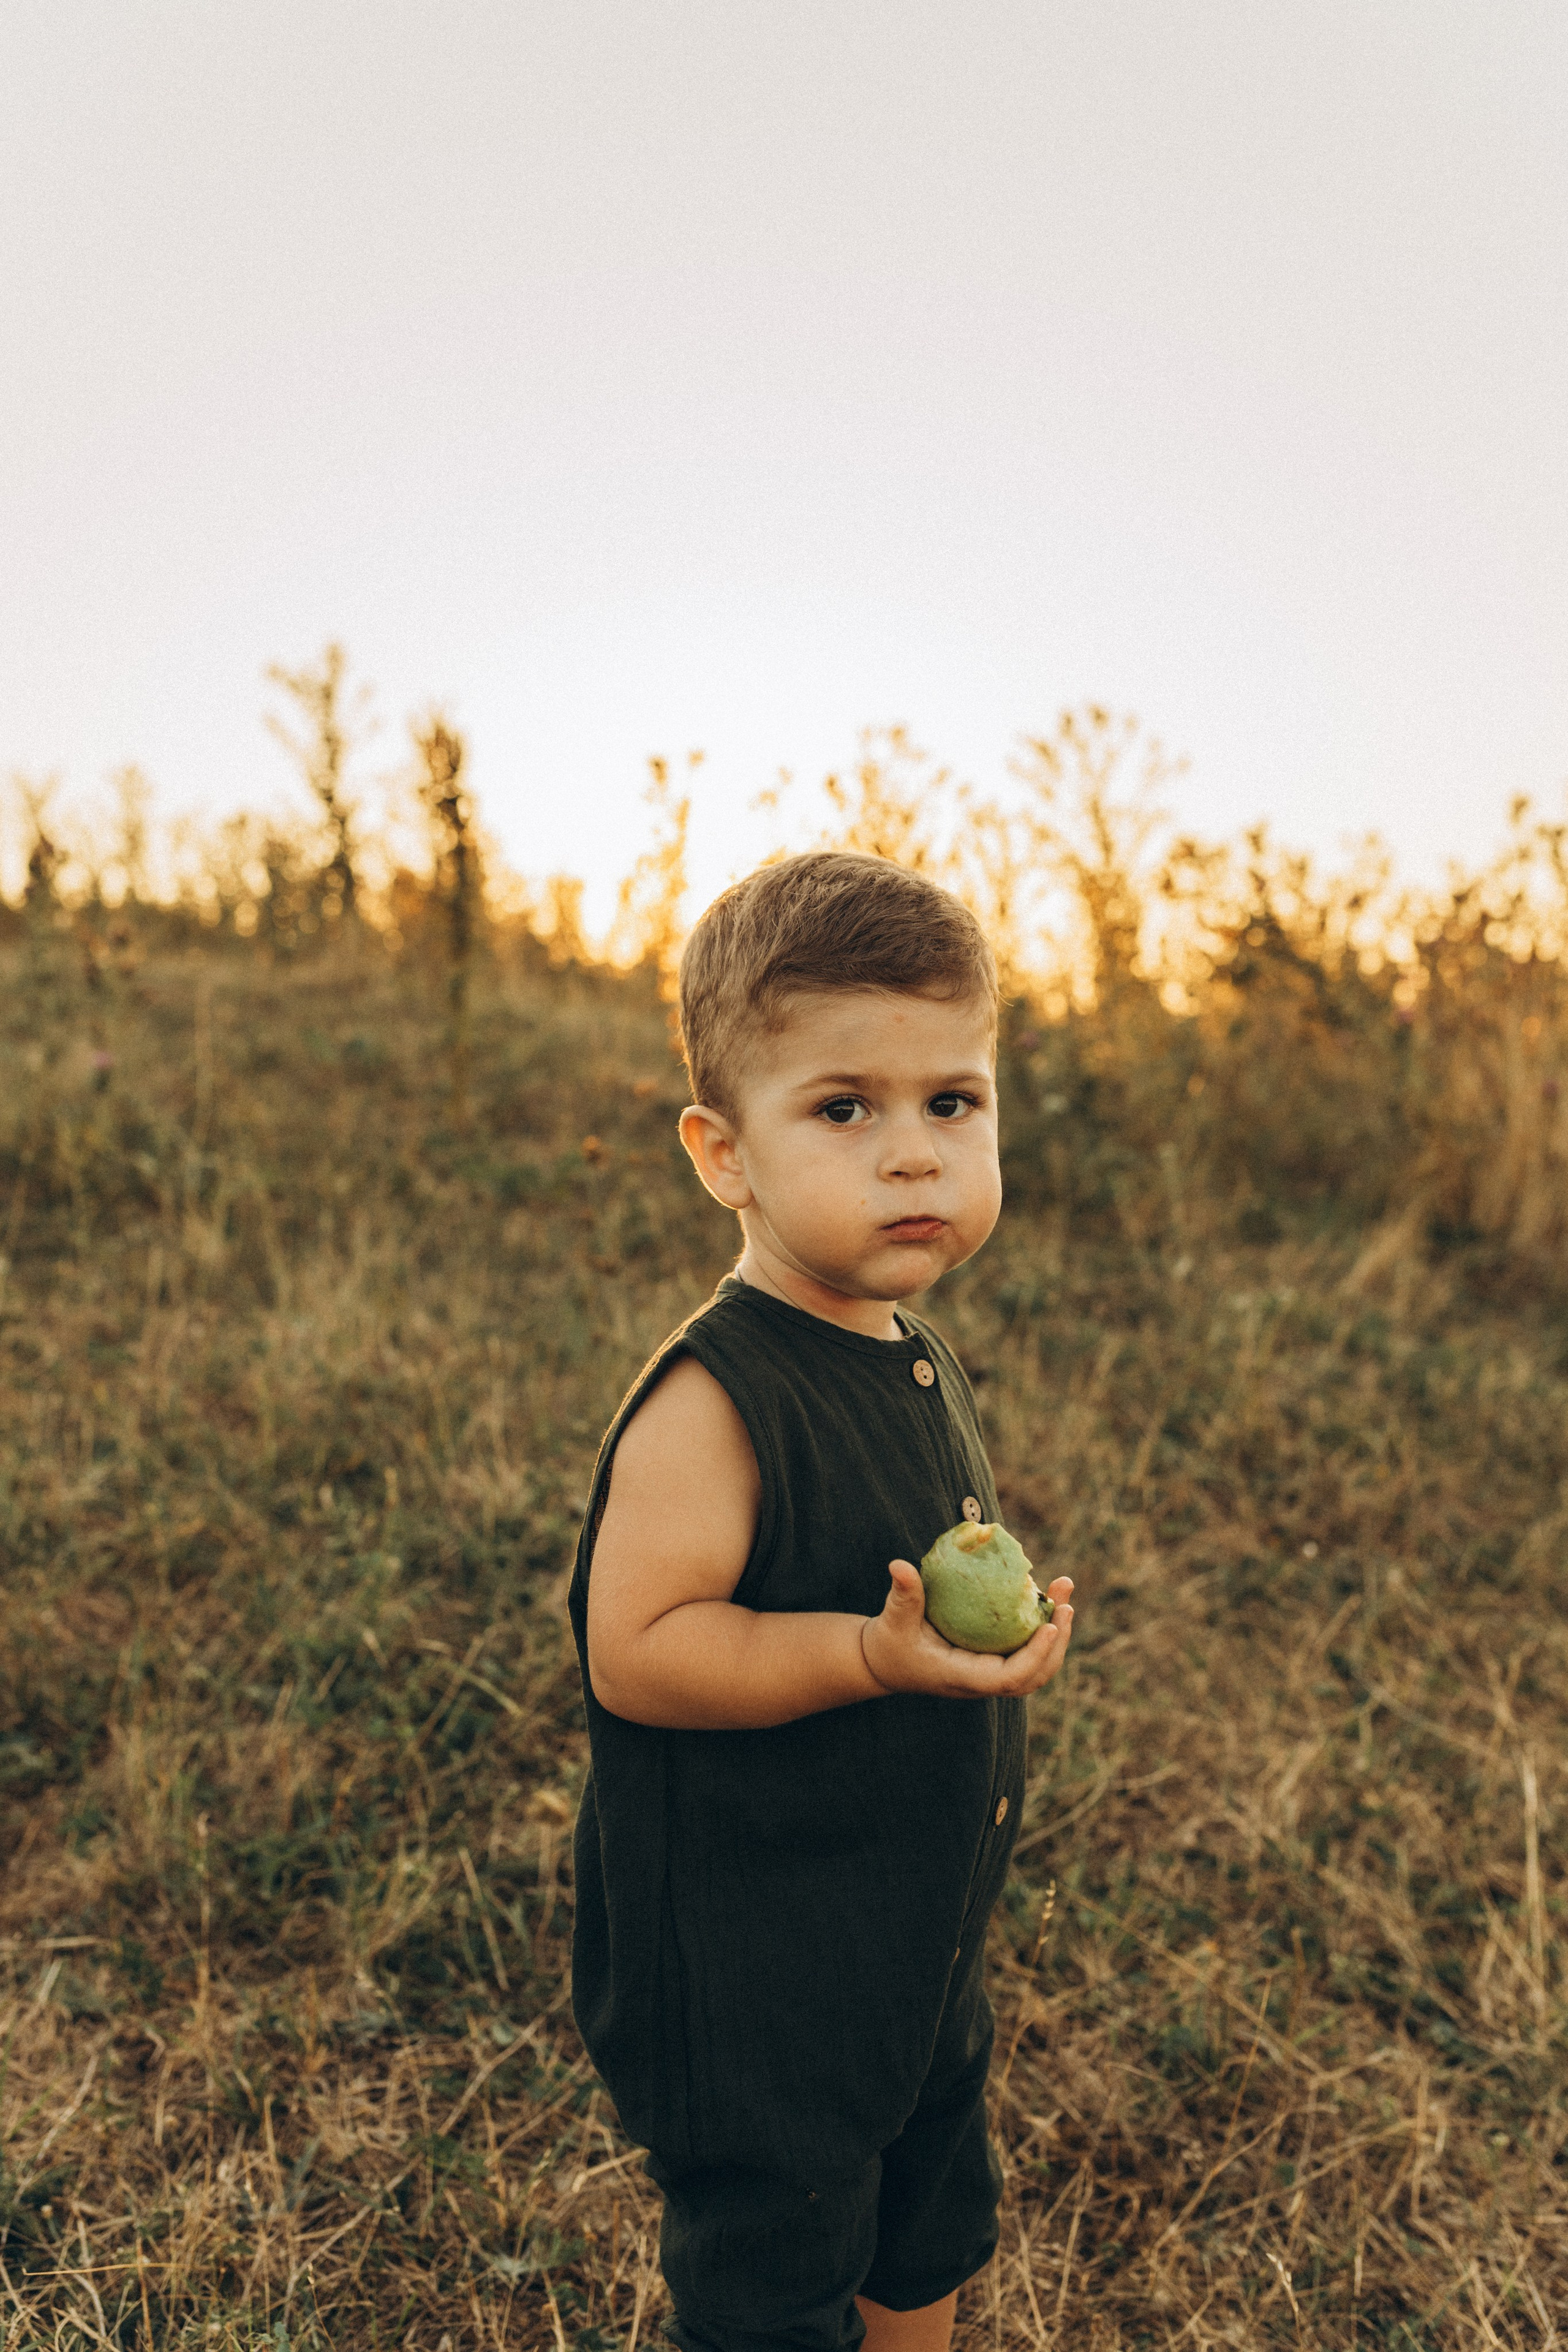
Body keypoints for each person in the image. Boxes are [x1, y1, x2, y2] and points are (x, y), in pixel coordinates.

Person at [568, 851, 1076, 2352]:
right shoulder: (715, 1398)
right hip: (758, 1971)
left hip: (906, 1946)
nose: (912, 1154)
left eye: (952, 1102)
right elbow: (638, 1652)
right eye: (842, 1109)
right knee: (779, 2282)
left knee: (923, 2236)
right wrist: (872, 1653)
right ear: (722, 1154)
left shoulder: (897, 1340)